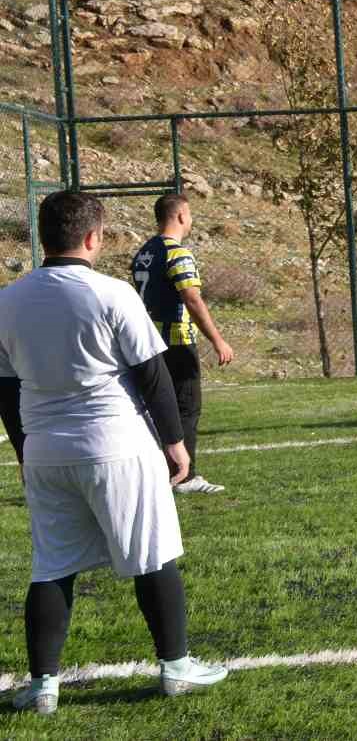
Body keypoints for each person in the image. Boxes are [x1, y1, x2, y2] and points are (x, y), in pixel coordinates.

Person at [0, 191, 228, 715]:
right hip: (116, 445)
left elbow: (3, 388)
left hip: (46, 451)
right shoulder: (112, 294)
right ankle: (175, 668)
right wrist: (175, 444)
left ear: (43, 237)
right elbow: (153, 374)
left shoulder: (8, 301)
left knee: (51, 566)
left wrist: (24, 449)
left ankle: (43, 686)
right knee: (152, 555)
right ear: (92, 238)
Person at [133, 193, 234, 495]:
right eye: (189, 215)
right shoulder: (177, 253)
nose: (190, 220)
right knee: (187, 407)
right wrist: (217, 340)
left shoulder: (143, 252)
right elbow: (191, 297)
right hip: (177, 341)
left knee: (158, 407)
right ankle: (185, 477)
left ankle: (160, 472)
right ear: (179, 216)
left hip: (149, 341)